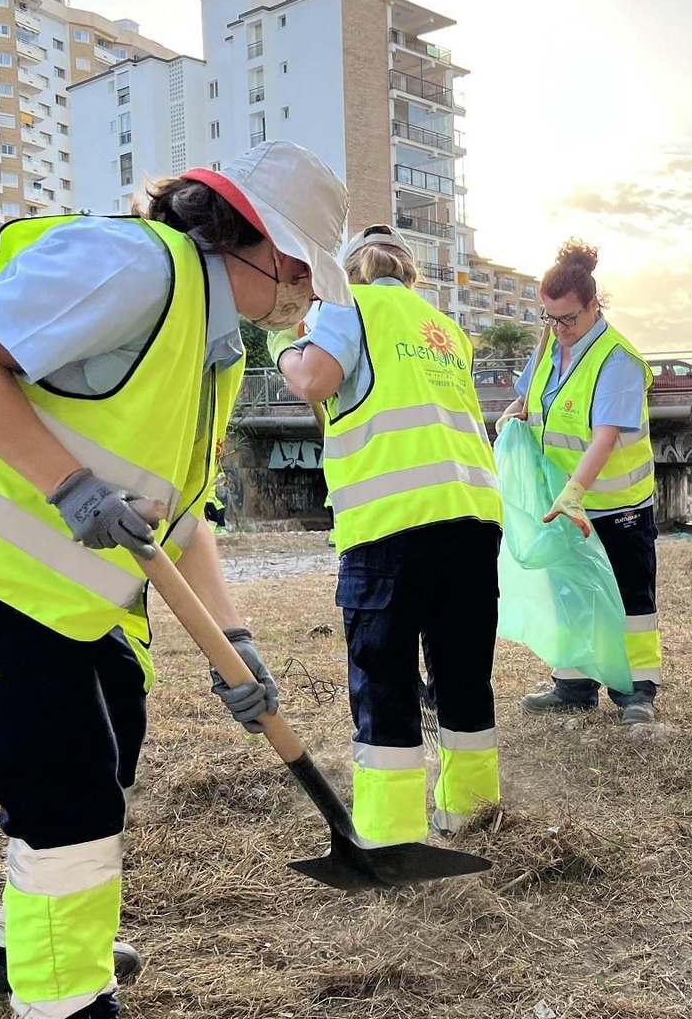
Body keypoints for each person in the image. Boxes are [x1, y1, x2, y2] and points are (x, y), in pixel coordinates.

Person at [0, 142, 350, 1019]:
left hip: (38, 575)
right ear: (264, 246)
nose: (306, 297)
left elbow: (179, 512)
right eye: (306, 272)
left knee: (115, 721)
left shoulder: (213, 346)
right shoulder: (131, 264)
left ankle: (22, 941)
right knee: (64, 774)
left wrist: (234, 643)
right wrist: (69, 486)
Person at [273, 224, 502, 845]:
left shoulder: (347, 303)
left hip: (392, 519)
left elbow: (314, 380)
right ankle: (472, 812)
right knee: (462, 672)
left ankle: (393, 834)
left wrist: (286, 345)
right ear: (410, 274)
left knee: (385, 677)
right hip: (473, 515)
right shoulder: (444, 328)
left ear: (347, 271)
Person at [495, 241, 660, 726]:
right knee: (569, 592)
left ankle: (636, 693)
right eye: (549, 318)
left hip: (615, 504)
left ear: (593, 305)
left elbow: (604, 438)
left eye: (567, 319)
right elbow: (530, 401)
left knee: (629, 599)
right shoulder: (550, 347)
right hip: (563, 502)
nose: (559, 329)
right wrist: (509, 419)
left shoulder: (617, 360)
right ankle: (573, 686)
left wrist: (574, 494)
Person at [204, 467, 229, 533]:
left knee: (221, 509)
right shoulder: (205, 472)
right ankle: (210, 531)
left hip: (213, 498)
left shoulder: (213, 470)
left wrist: (223, 482)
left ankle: (221, 529)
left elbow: (215, 483)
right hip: (206, 499)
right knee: (214, 515)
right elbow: (210, 483)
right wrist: (218, 478)